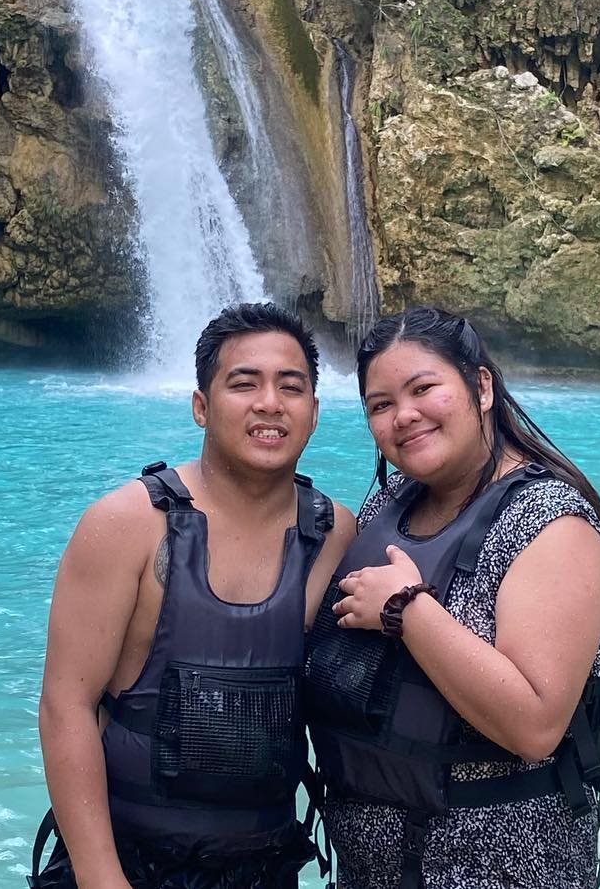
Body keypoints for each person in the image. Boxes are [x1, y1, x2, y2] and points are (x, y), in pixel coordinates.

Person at [34, 301, 357, 889]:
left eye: (292, 386)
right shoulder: (125, 523)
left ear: (313, 412)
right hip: (130, 862)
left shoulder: (334, 531)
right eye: (244, 383)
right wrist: (103, 880)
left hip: (266, 865)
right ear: (201, 407)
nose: (269, 403)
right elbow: (66, 707)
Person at [306, 306, 600, 889]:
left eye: (423, 388)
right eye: (380, 405)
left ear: (481, 386)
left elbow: (535, 726)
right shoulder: (392, 506)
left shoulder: (551, 524)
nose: (404, 416)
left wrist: (407, 609)